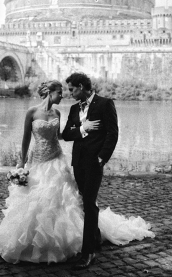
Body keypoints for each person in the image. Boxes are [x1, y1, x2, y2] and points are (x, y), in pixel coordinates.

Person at [0, 79, 154, 266]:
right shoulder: (32, 112)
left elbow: (62, 135)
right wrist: (21, 160)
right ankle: (27, 242)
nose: (63, 95)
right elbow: (26, 138)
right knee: (35, 201)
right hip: (37, 162)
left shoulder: (58, 112)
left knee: (64, 201)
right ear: (50, 93)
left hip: (56, 159)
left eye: (67, 91)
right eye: (60, 92)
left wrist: (85, 133)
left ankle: (75, 243)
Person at [62, 72, 115, 269]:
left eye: (72, 89)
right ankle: (96, 238)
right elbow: (67, 134)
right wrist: (83, 128)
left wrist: (102, 157)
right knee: (84, 201)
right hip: (78, 162)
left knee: (89, 203)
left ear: (82, 87)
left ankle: (88, 252)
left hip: (95, 163)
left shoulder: (104, 104)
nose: (70, 93)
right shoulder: (74, 108)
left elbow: (112, 133)